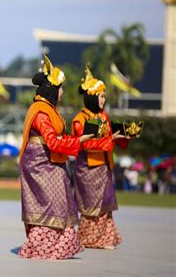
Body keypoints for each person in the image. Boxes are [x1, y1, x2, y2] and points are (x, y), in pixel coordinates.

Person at [18, 55, 93, 260]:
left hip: (51, 162)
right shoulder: (41, 112)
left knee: (58, 201)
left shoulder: (49, 109)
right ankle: (43, 247)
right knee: (49, 203)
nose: (62, 92)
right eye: (60, 88)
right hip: (40, 164)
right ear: (51, 89)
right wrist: (78, 142)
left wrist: (78, 140)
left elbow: (57, 139)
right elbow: (52, 142)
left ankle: (55, 246)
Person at [72, 66, 127, 249]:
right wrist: (109, 139)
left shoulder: (104, 117)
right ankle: (88, 239)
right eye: (101, 96)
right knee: (90, 206)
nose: (104, 100)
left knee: (105, 204)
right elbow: (86, 144)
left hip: (104, 166)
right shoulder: (80, 119)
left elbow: (110, 140)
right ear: (92, 96)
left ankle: (105, 238)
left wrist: (124, 135)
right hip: (88, 168)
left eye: (104, 96)